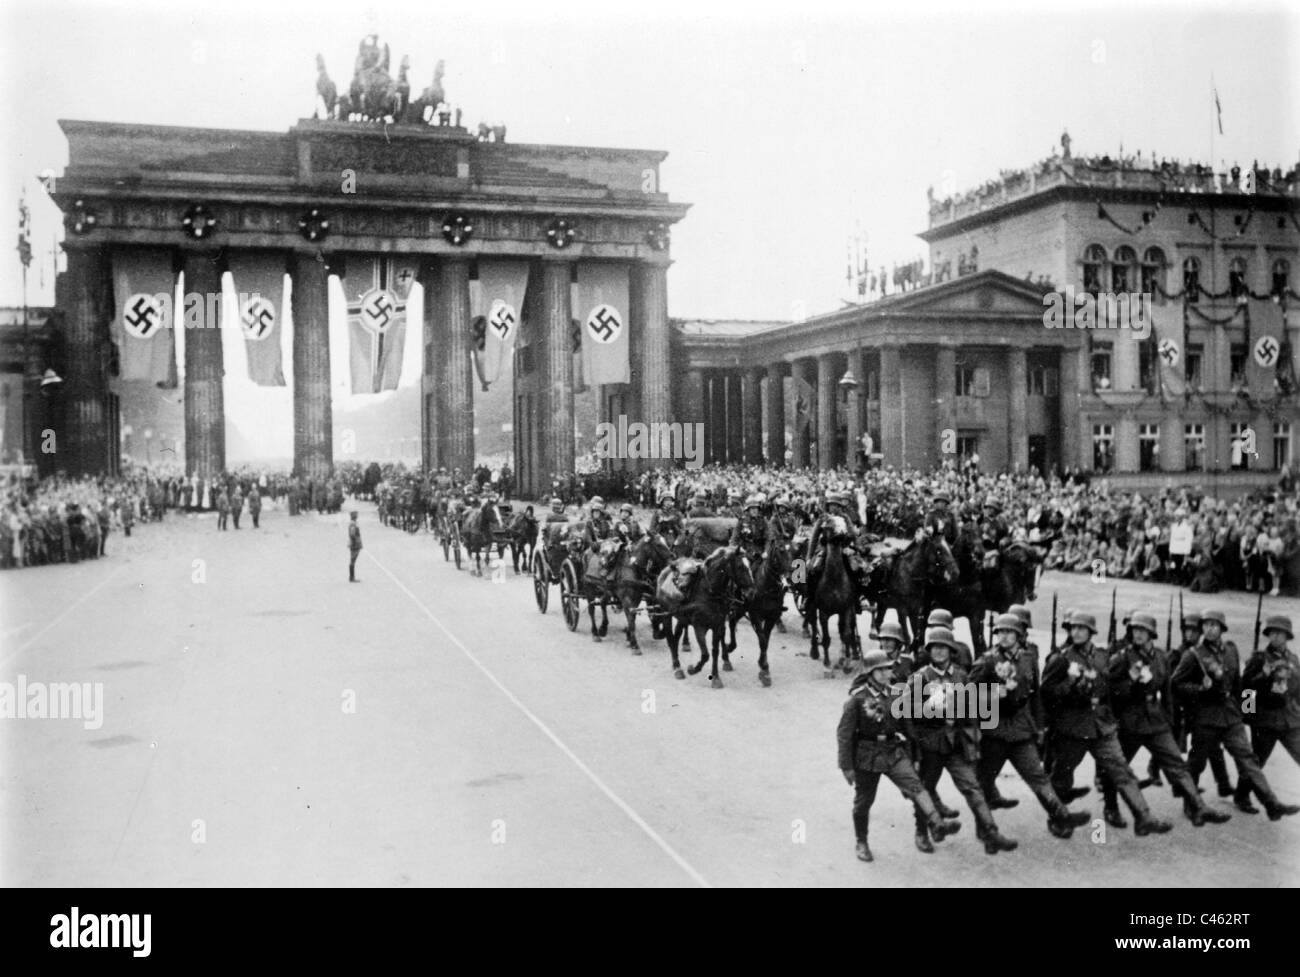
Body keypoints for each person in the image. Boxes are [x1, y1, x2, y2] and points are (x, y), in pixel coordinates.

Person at [1042, 611, 1173, 835]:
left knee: (1122, 770)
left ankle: (1144, 816)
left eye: (1082, 628)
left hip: (1102, 726)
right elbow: (1047, 692)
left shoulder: (1103, 656)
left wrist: (1113, 717)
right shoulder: (1061, 659)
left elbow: (1111, 691)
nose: (1076, 632)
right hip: (1073, 727)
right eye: (1073, 628)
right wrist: (1070, 685)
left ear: (1091, 632)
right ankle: (1057, 819)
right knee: (1062, 776)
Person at [971, 613, 1093, 839]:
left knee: (1037, 776)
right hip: (994, 731)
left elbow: (1036, 695)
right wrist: (996, 693)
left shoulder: (1028, 658)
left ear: (1019, 635)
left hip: (1021, 730)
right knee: (984, 780)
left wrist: (1039, 726)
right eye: (1000, 632)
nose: (1004, 637)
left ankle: (1061, 816)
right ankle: (984, 826)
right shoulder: (988, 661)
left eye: (1009, 632)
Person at [1105, 612, 1231, 827]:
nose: (1138, 634)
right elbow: (1110, 689)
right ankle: (1111, 807)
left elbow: (1168, 690)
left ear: (1151, 634)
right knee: (1118, 767)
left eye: (1143, 631)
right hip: (1130, 721)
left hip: (1156, 720)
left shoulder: (1161, 657)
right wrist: (1130, 683)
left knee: (1177, 764)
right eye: (1135, 630)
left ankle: (1198, 806)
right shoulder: (1122, 658)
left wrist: (1171, 721)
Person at [837, 649, 960, 862]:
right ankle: (861, 841)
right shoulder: (857, 700)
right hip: (867, 756)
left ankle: (937, 824)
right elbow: (844, 735)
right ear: (870, 673)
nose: (887, 673)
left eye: (888, 669)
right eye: (881, 670)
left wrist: (916, 753)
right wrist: (846, 766)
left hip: (894, 751)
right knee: (864, 802)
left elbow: (907, 726)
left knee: (916, 785)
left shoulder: (896, 694)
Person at [1173, 609, 1298, 820]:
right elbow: (1176, 683)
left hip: (1231, 716)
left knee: (1248, 759)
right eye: (1206, 625)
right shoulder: (1193, 654)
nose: (1210, 628)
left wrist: (1245, 713)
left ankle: (1272, 803)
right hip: (1206, 716)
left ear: (1222, 629)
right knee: (1197, 762)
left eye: (1215, 625)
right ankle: (1191, 803)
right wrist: (1200, 690)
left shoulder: (1231, 651)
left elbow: (1240, 685)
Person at [908, 627, 1018, 854]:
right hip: (932, 744)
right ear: (929, 651)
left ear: (951, 650)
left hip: (956, 743)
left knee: (973, 787)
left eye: (943, 647)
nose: (939, 652)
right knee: (925, 789)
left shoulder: (960, 675)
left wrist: (974, 733)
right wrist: (930, 707)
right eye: (935, 647)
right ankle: (921, 831)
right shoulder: (920, 678)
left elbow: (971, 707)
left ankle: (991, 832)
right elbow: (906, 712)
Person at [1238, 614, 1300, 803]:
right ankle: (1241, 795)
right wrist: (1248, 717)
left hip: (1290, 719)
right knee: (1257, 761)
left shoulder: (1294, 659)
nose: (1275, 637)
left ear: (1287, 636)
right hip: (1266, 721)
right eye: (1272, 633)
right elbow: (1246, 687)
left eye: (1280, 634)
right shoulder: (1259, 659)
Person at [348, 511, 362, 582]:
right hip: (355, 544)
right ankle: (352, 577)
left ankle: (352, 577)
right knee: (353, 560)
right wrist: (355, 542)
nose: (357, 516)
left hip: (354, 543)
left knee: (352, 560)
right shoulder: (353, 524)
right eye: (356, 515)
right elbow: (352, 534)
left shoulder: (353, 523)